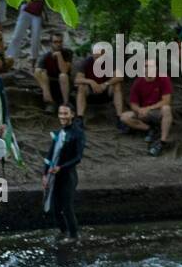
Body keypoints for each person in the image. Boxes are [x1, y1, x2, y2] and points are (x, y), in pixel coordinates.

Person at [42, 103, 83, 242]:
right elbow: (50, 155)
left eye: (65, 113)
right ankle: (63, 232)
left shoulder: (78, 133)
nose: (62, 116)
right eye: (60, 113)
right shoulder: (59, 133)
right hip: (54, 175)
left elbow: (78, 157)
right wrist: (44, 174)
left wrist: (62, 167)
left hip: (68, 176)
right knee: (55, 208)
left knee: (67, 207)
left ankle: (73, 236)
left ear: (72, 114)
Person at [119, 60, 173, 155]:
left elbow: (166, 101)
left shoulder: (163, 78)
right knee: (124, 117)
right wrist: (139, 110)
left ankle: (162, 141)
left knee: (167, 109)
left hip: (157, 111)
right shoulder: (138, 82)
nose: (148, 69)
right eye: (146, 66)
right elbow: (133, 104)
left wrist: (149, 108)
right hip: (143, 112)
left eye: (151, 66)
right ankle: (150, 129)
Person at [74, 44, 123, 119]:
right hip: (90, 91)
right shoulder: (86, 62)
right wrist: (91, 81)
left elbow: (120, 77)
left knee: (117, 85)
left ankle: (119, 117)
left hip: (106, 91)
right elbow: (77, 80)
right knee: (81, 86)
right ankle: (80, 118)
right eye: (95, 54)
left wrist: (105, 84)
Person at [34, 32, 72, 113]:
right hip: (50, 85)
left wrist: (59, 56)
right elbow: (37, 72)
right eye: (55, 42)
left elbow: (64, 70)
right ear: (51, 43)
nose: (58, 44)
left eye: (60, 42)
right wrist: (45, 90)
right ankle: (50, 102)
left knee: (63, 76)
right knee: (39, 71)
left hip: (65, 84)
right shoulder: (46, 56)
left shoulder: (67, 53)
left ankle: (66, 103)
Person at [6, 0, 44, 66]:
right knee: (17, 36)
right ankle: (10, 58)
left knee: (35, 39)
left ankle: (34, 60)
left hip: (37, 14)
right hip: (26, 11)